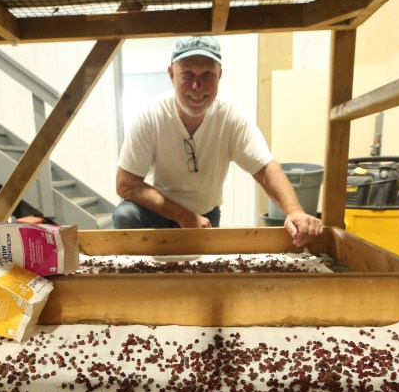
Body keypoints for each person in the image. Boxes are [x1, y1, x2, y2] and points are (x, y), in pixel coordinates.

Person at [113, 35, 323, 248]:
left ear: (219, 75)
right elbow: (126, 184)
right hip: (157, 214)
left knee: (201, 275)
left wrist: (294, 211)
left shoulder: (231, 117)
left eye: (207, 75)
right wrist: (183, 215)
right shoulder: (151, 116)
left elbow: (265, 169)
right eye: (187, 74)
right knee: (126, 215)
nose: (197, 86)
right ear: (171, 74)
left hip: (204, 216)